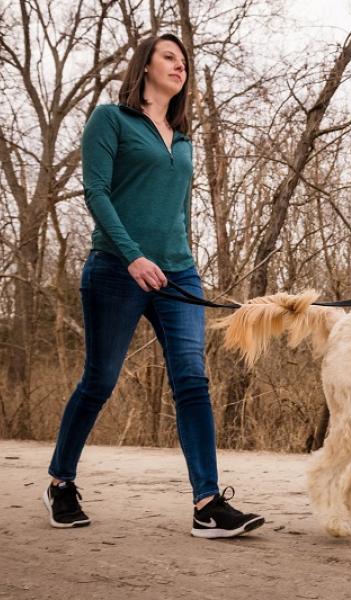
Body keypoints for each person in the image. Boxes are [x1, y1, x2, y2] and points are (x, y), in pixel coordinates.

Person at [43, 33, 264, 539]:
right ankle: (61, 482)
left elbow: (178, 210)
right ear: (144, 65)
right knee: (99, 381)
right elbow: (95, 192)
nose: (179, 65)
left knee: (192, 380)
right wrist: (133, 255)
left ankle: (207, 503)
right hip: (115, 270)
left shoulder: (183, 137)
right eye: (169, 57)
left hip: (177, 274)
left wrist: (181, 261)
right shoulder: (111, 120)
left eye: (184, 60)